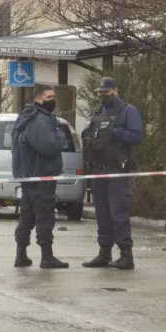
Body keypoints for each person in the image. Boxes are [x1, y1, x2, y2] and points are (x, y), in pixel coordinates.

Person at [81, 77, 143, 271]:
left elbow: (136, 136)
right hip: (98, 170)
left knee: (118, 213)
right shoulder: (96, 112)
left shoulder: (127, 111)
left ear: (115, 90)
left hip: (117, 170)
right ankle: (104, 253)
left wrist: (115, 132)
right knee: (102, 214)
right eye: (100, 92)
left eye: (106, 92)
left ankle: (126, 255)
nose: (102, 95)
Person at [11, 84, 69, 269]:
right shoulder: (40, 120)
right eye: (49, 97)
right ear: (38, 98)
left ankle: (21, 255)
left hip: (30, 176)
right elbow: (49, 146)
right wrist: (60, 135)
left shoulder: (26, 116)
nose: (53, 100)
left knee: (27, 216)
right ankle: (47, 256)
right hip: (42, 175)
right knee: (45, 216)